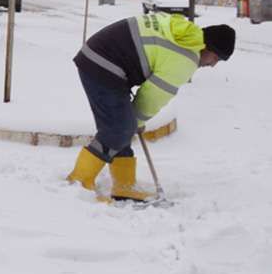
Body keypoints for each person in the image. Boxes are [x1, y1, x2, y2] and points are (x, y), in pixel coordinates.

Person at [67, 13, 235, 201]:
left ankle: (124, 185)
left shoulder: (183, 33)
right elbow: (154, 96)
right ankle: (79, 181)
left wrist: (133, 121)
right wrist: (137, 120)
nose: (213, 65)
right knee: (120, 129)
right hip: (103, 64)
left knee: (124, 125)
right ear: (207, 47)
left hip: (100, 57)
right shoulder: (186, 57)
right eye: (216, 58)